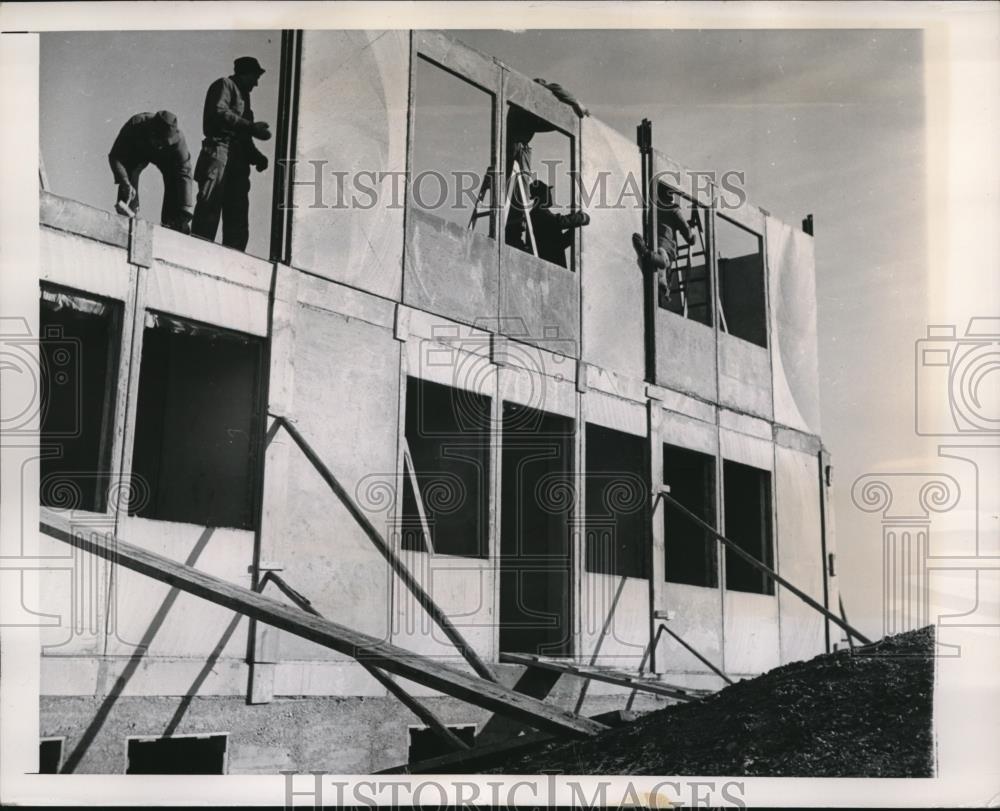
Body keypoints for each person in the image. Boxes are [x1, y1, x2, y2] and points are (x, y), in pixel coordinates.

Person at [192, 56, 272, 251]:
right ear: (244, 74)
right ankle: (198, 252)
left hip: (238, 159)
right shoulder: (224, 85)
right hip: (219, 151)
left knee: (237, 214)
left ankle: (234, 261)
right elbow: (219, 113)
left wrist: (257, 157)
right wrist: (252, 127)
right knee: (209, 207)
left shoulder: (246, 100)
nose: (256, 83)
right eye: (255, 77)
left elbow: (245, 140)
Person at [504, 78, 589, 251]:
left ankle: (512, 235)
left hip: (516, 148)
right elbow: (554, 88)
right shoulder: (524, 102)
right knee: (519, 194)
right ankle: (512, 236)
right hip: (516, 148)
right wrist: (574, 104)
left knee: (517, 195)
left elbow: (543, 124)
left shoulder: (523, 108)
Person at [107, 110, 194, 233]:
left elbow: (185, 171)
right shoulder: (135, 125)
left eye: (164, 143)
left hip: (166, 162)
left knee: (175, 183)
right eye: (158, 141)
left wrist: (185, 208)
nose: (159, 146)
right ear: (151, 131)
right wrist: (125, 182)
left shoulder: (179, 140)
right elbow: (115, 156)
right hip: (138, 154)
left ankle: (172, 225)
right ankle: (127, 217)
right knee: (129, 173)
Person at [632, 185, 696, 305]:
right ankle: (648, 255)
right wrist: (692, 237)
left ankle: (661, 280)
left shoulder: (652, 208)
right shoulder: (673, 210)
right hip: (664, 247)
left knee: (660, 273)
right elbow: (688, 235)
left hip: (652, 243)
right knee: (663, 263)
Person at [528, 180, 590, 268]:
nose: (550, 195)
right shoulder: (538, 213)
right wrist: (581, 218)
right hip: (549, 266)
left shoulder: (539, 213)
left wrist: (574, 230)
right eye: (547, 193)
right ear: (541, 196)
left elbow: (558, 244)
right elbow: (559, 222)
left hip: (551, 265)